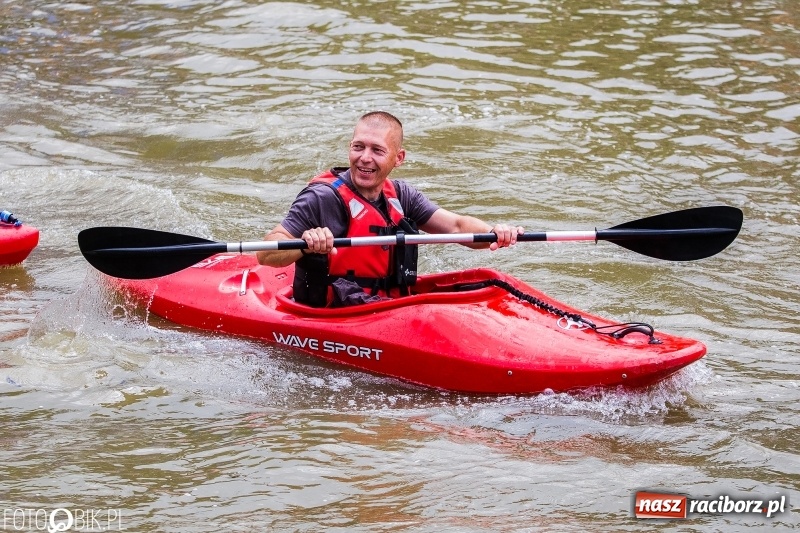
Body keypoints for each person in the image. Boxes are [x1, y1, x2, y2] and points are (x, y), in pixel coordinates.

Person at [257, 111, 524, 307]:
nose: (365, 158)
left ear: (398, 158)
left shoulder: (401, 195)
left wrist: (494, 233)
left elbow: (456, 227)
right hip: (337, 309)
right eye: (358, 147)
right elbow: (267, 252)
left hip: (389, 305)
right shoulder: (322, 197)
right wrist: (304, 244)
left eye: (377, 150)